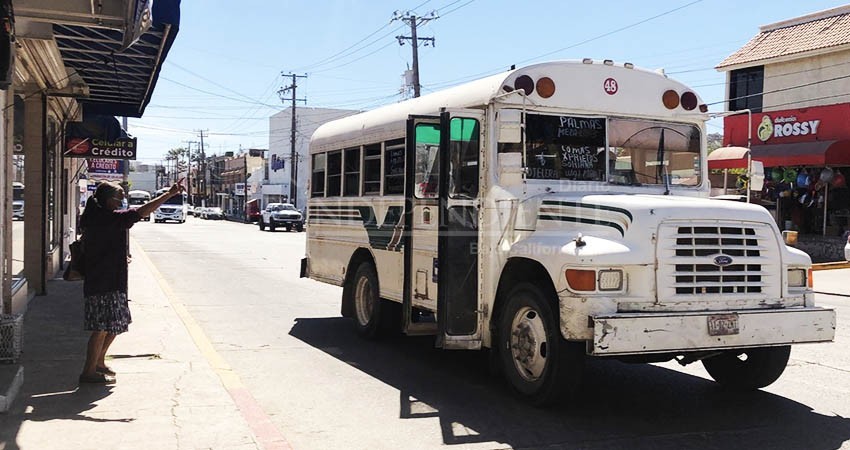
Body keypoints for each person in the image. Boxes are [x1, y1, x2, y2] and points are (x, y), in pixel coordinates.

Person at [78, 180, 184, 384]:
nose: (122, 201)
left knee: (117, 324)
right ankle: (88, 372)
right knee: (100, 328)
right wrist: (167, 195)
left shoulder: (103, 217)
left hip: (113, 281)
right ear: (108, 199)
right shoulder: (105, 219)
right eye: (119, 198)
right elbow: (140, 212)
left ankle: (99, 362)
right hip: (103, 282)